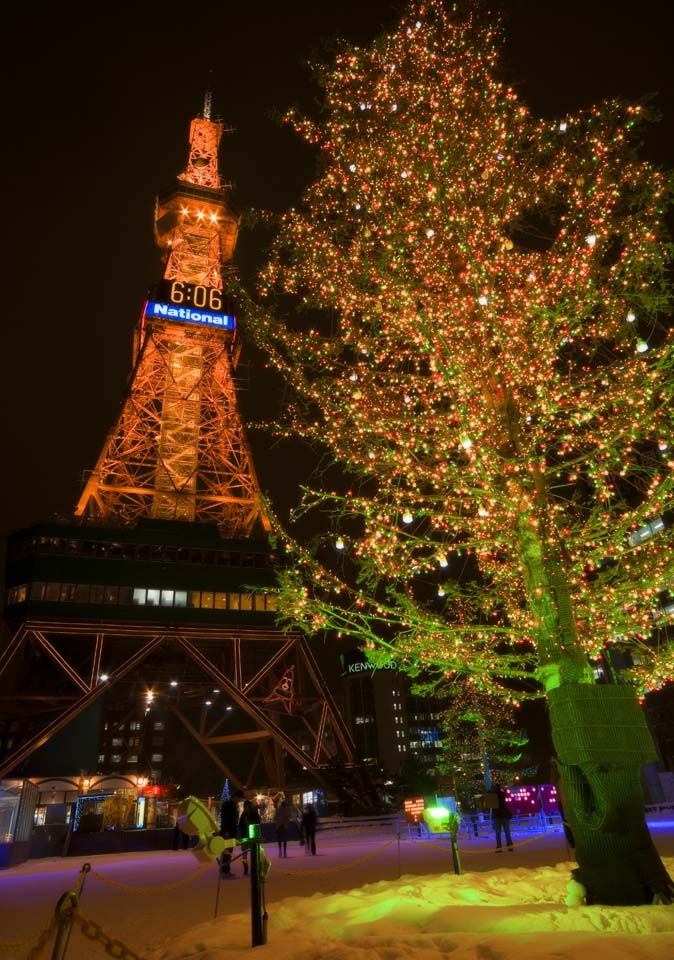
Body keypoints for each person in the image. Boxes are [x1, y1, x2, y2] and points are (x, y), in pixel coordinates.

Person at [220, 790, 243, 874]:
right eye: (239, 799)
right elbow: (226, 819)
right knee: (227, 851)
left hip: (230, 831)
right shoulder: (228, 805)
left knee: (228, 851)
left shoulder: (232, 805)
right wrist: (226, 830)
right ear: (236, 797)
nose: (240, 801)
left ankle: (225, 869)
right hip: (228, 831)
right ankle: (225, 870)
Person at [238, 798, 261, 876]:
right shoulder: (243, 814)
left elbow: (258, 823)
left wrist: (249, 823)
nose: (247, 808)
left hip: (252, 836)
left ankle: (254, 869)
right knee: (244, 854)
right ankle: (246, 868)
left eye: (248, 806)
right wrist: (243, 823)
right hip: (245, 836)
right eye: (246, 807)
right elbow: (240, 825)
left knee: (254, 854)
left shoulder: (254, 813)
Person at [491, 784, 514, 852]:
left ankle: (499, 847)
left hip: (497, 816)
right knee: (507, 832)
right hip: (503, 816)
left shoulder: (495, 795)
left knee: (498, 833)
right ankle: (509, 846)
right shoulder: (501, 794)